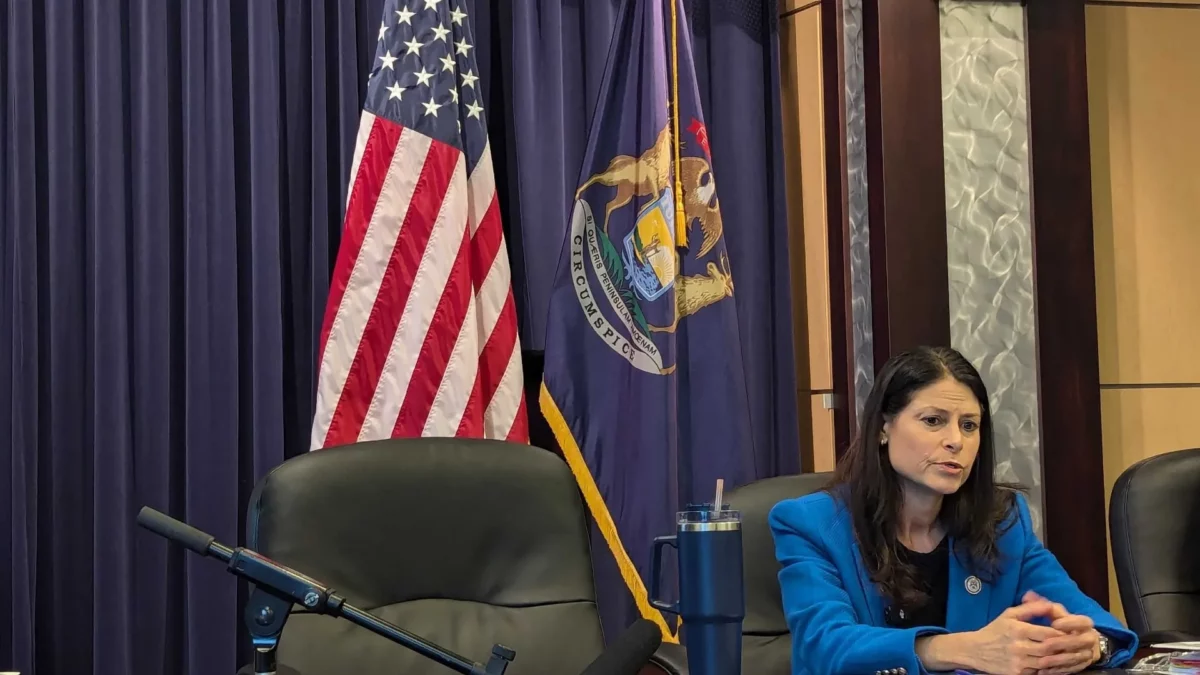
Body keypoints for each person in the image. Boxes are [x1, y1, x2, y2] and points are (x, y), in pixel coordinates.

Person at [769, 346, 1137, 675]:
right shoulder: (811, 524)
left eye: (969, 425)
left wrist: (1092, 646)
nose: (955, 441)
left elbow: (1092, 622)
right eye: (933, 420)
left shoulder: (1003, 521)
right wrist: (960, 649)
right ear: (883, 428)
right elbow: (826, 648)